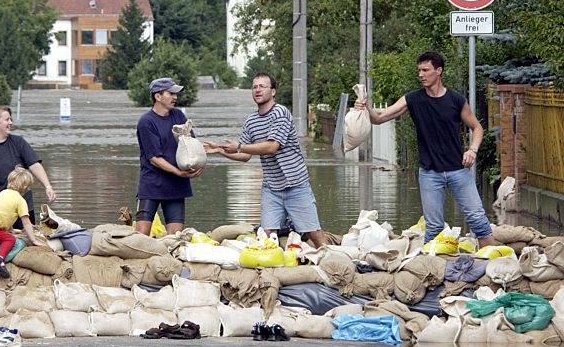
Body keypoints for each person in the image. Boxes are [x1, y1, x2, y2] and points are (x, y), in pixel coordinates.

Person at [355, 51, 498, 248]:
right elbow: (379, 118)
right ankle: (433, 271)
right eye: (419, 70)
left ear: (438, 71)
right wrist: (365, 108)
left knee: (479, 221)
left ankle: (494, 263)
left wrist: (472, 150)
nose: (421, 74)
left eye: (425, 70)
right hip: (430, 173)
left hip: (458, 170)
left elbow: (477, 127)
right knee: (434, 228)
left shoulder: (456, 100)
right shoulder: (412, 99)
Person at [204, 71, 326, 248]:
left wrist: (239, 146)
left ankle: (330, 259)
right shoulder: (251, 121)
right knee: (266, 235)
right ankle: (270, 269)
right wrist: (219, 150)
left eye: (262, 86)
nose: (257, 90)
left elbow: (271, 146)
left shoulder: (280, 113)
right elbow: (245, 156)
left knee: (313, 233)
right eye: (254, 87)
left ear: (273, 92)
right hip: (272, 187)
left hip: (296, 184)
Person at [0, 107, 57, 229]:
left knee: (26, 240)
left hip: (22, 208)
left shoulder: (18, 143)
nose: (11, 123)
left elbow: (34, 165)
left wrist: (48, 186)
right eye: (7, 119)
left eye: (11, 119)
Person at [135, 77, 204, 236]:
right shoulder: (146, 122)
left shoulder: (179, 116)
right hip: (151, 185)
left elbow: (191, 144)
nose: (175, 97)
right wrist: (178, 172)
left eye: (175, 94)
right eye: (170, 93)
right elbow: (154, 158)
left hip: (176, 187)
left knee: (175, 238)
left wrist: (197, 162)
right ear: (157, 97)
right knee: (141, 235)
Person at [0, 166, 43, 289]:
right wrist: (34, 240)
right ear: (25, 187)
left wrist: (12, 230)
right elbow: (26, 223)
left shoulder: (3, 193)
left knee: (10, 239)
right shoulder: (21, 201)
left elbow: (3, 213)